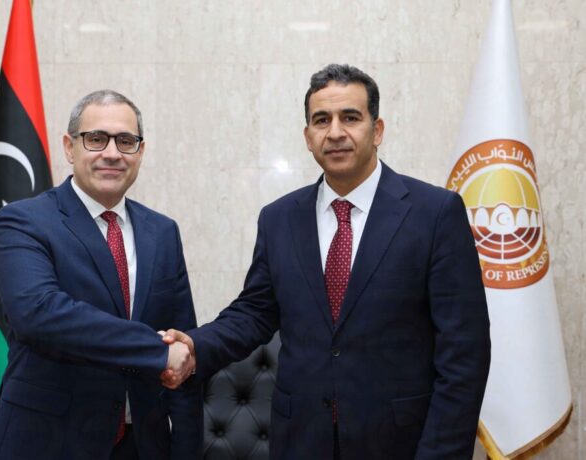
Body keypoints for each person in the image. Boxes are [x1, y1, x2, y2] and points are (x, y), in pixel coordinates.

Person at [162, 64, 491, 459]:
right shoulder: (279, 218)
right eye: (322, 120)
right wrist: (195, 345)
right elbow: (254, 312)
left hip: (400, 443)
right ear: (308, 137)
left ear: (377, 130)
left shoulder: (434, 213)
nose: (335, 132)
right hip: (301, 440)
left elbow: (464, 353)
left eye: (350, 117)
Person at [0, 90, 201, 460]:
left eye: (125, 141)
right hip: (46, 442)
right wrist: (157, 352)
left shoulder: (162, 231)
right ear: (70, 147)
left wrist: (187, 447)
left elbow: (182, 339)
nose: (112, 153)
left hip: (142, 444)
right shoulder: (23, 221)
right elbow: (40, 314)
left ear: (140, 151)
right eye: (96, 139)